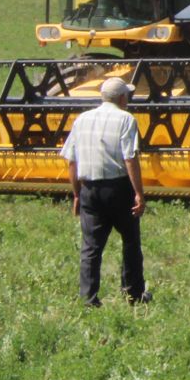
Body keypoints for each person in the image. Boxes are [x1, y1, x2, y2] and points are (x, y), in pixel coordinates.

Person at [60, 75, 148, 307]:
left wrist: (77, 194)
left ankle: (88, 299)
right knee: (130, 241)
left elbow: (71, 160)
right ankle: (133, 294)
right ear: (122, 98)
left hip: (89, 189)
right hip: (118, 189)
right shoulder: (126, 119)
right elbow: (130, 157)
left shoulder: (82, 119)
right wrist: (139, 192)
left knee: (91, 247)